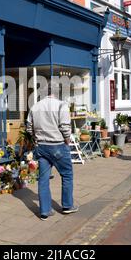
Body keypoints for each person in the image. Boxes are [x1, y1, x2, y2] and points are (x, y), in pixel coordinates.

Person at [26, 84, 78, 220]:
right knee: (66, 175)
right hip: (58, 145)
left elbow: (29, 128)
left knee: (43, 179)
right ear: (57, 93)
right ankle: (67, 206)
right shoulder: (62, 105)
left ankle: (45, 211)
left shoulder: (35, 106)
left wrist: (35, 138)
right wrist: (67, 140)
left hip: (41, 147)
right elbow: (65, 126)